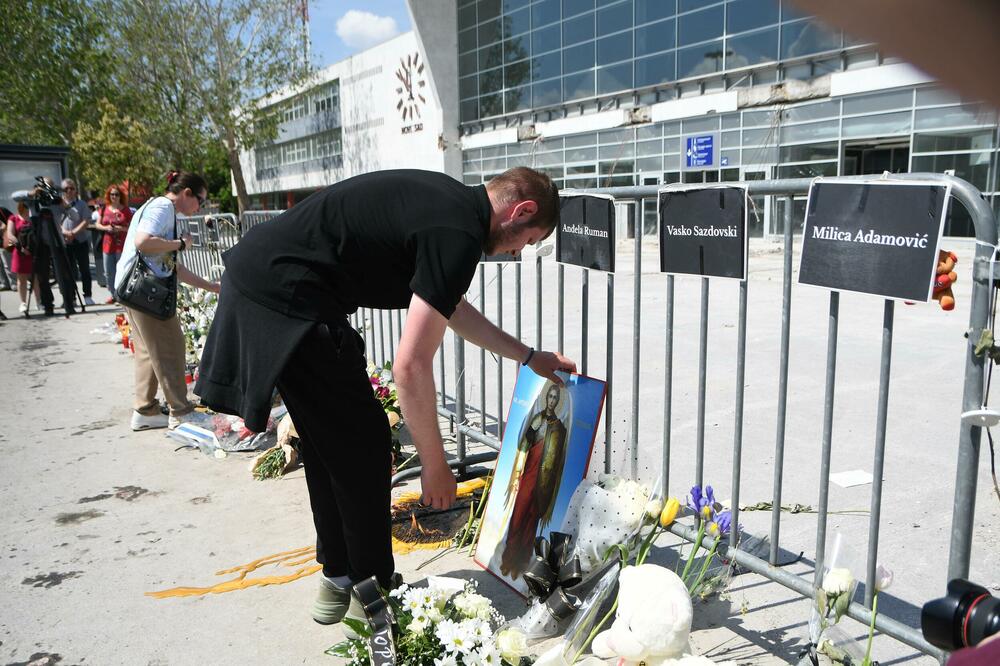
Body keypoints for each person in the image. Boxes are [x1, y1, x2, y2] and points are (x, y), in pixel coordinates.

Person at [195, 167, 575, 629]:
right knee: (365, 447)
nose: (519, 251)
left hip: (268, 284)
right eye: (528, 240)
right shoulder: (458, 232)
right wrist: (435, 464)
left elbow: (450, 306)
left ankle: (337, 578)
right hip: (290, 298)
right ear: (523, 210)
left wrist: (528, 356)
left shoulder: (449, 207)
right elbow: (410, 366)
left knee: (327, 444)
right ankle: (370, 592)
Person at [116, 171, 220, 431]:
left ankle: (145, 410)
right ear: (186, 193)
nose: (200, 207)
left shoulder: (158, 208)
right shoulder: (164, 207)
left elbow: (173, 268)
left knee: (147, 352)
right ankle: (181, 411)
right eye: (200, 200)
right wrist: (180, 244)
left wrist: (211, 286)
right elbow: (143, 242)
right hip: (145, 293)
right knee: (171, 346)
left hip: (134, 290)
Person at [499, 381, 569, 579]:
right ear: (546, 398)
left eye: (555, 397)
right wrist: (532, 429)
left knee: (531, 520)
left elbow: (558, 461)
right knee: (518, 515)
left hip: (543, 483)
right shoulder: (537, 419)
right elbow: (525, 444)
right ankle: (508, 559)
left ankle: (521, 564)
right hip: (528, 476)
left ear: (558, 401)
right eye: (550, 396)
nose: (552, 400)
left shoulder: (559, 428)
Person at [94, 185, 132, 303]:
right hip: (108, 244)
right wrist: (106, 228)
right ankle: (113, 294)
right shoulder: (104, 209)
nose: (114, 197)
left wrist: (120, 229)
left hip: (121, 243)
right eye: (112, 194)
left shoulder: (125, 210)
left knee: (122, 270)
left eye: (116, 194)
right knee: (108, 271)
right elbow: (97, 224)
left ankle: (121, 294)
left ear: (121, 196)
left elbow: (131, 227)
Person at [60, 179, 94, 306]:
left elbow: (86, 221)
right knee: (68, 272)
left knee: (85, 269)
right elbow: (57, 222)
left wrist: (73, 233)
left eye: (71, 188)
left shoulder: (82, 204)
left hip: (80, 241)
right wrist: (65, 233)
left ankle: (87, 296)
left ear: (75, 190)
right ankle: (71, 298)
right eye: (66, 189)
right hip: (65, 242)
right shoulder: (59, 205)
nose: (69, 191)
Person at [3, 203, 37, 315]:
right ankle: (23, 303)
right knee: (21, 278)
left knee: (35, 278)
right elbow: (10, 234)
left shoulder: (32, 219)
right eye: (25, 209)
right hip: (20, 253)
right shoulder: (13, 218)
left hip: (32, 252)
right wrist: (21, 248)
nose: (27, 212)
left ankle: (39, 301)